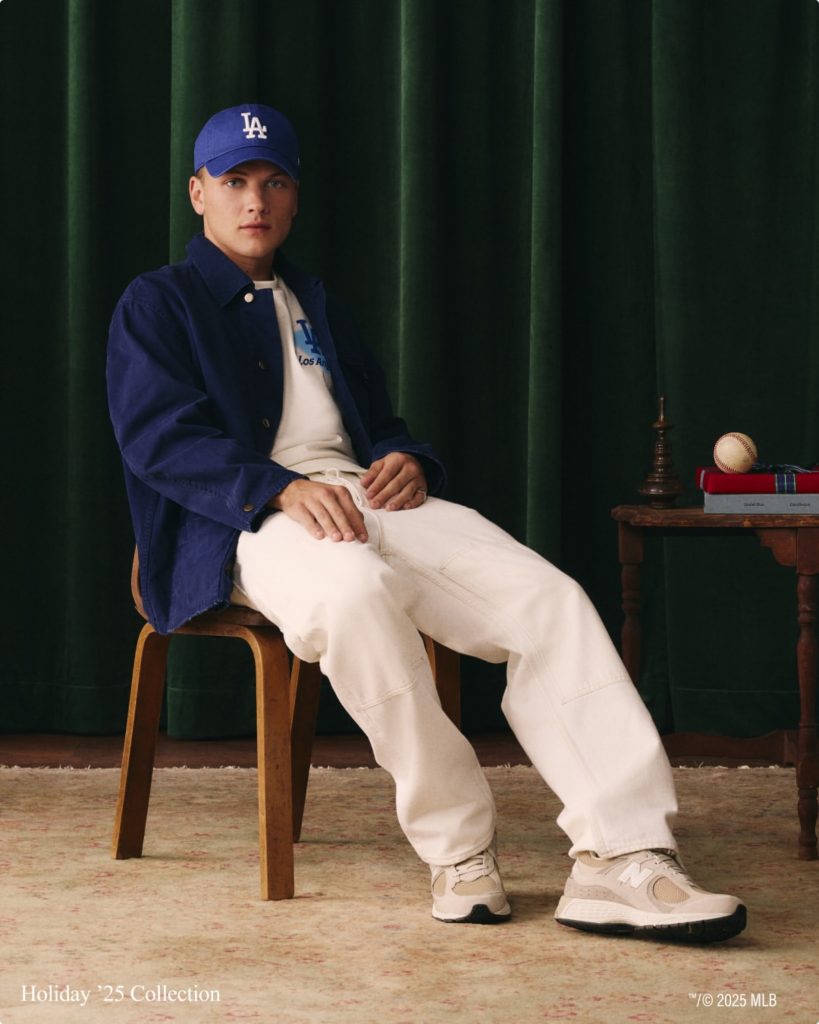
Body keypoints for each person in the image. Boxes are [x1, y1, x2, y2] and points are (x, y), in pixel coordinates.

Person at [107, 103, 746, 942]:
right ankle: (460, 851)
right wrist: (278, 489)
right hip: (244, 523)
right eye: (233, 181)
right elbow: (158, 439)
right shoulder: (157, 302)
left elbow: (379, 423)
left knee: (544, 597)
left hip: (367, 499)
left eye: (274, 181)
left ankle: (622, 857)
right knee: (353, 593)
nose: (254, 200)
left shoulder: (316, 302)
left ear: (295, 197)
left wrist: (408, 459)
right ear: (198, 193)